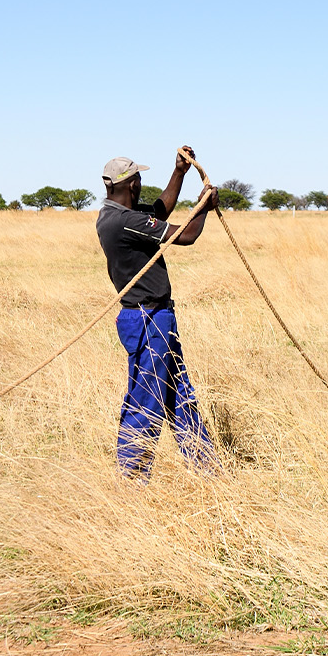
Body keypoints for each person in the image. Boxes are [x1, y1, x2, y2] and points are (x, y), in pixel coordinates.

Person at [95, 148, 221, 478]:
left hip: (151, 317)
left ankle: (208, 471)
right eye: (139, 178)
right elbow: (187, 234)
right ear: (132, 184)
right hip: (149, 319)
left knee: (180, 397)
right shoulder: (127, 222)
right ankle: (132, 479)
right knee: (146, 399)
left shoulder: (112, 216)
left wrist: (178, 172)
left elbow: (160, 210)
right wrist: (204, 208)